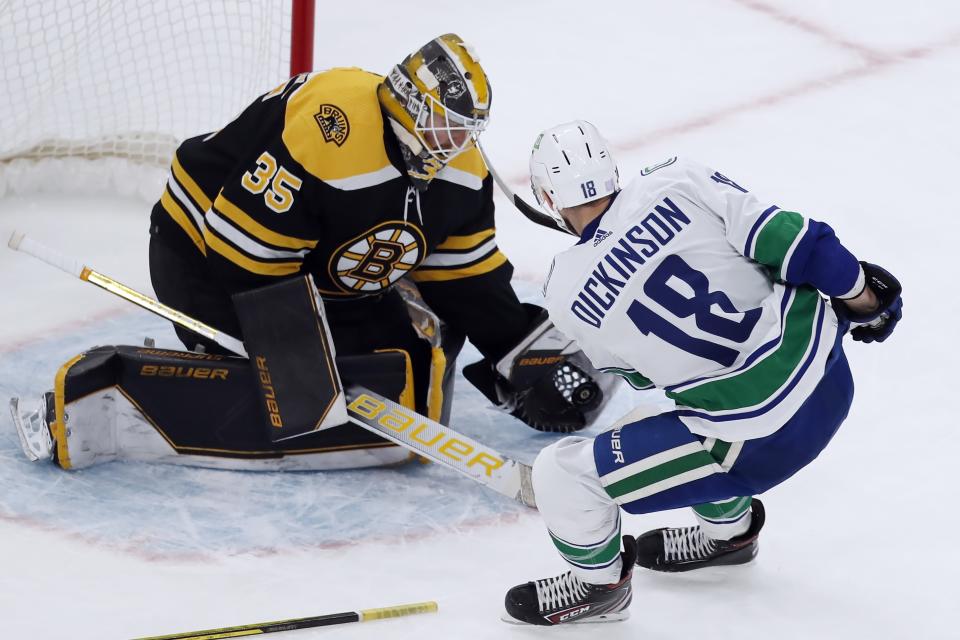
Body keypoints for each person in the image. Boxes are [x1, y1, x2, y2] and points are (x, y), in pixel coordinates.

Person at [11, 37, 618, 472]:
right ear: (405, 101)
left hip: (322, 275)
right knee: (295, 403)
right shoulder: (330, 130)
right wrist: (298, 361)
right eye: (442, 126)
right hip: (204, 251)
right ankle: (105, 398)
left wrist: (519, 348)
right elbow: (243, 258)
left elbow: (464, 275)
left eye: (466, 130)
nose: (454, 144)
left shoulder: (461, 169)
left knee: (411, 372)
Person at [502, 121, 903, 625]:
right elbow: (801, 244)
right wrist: (866, 302)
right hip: (830, 382)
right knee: (685, 414)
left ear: (547, 197)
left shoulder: (563, 290)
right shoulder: (675, 179)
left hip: (754, 444)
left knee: (563, 472)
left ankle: (599, 589)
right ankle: (729, 537)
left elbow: (644, 376)